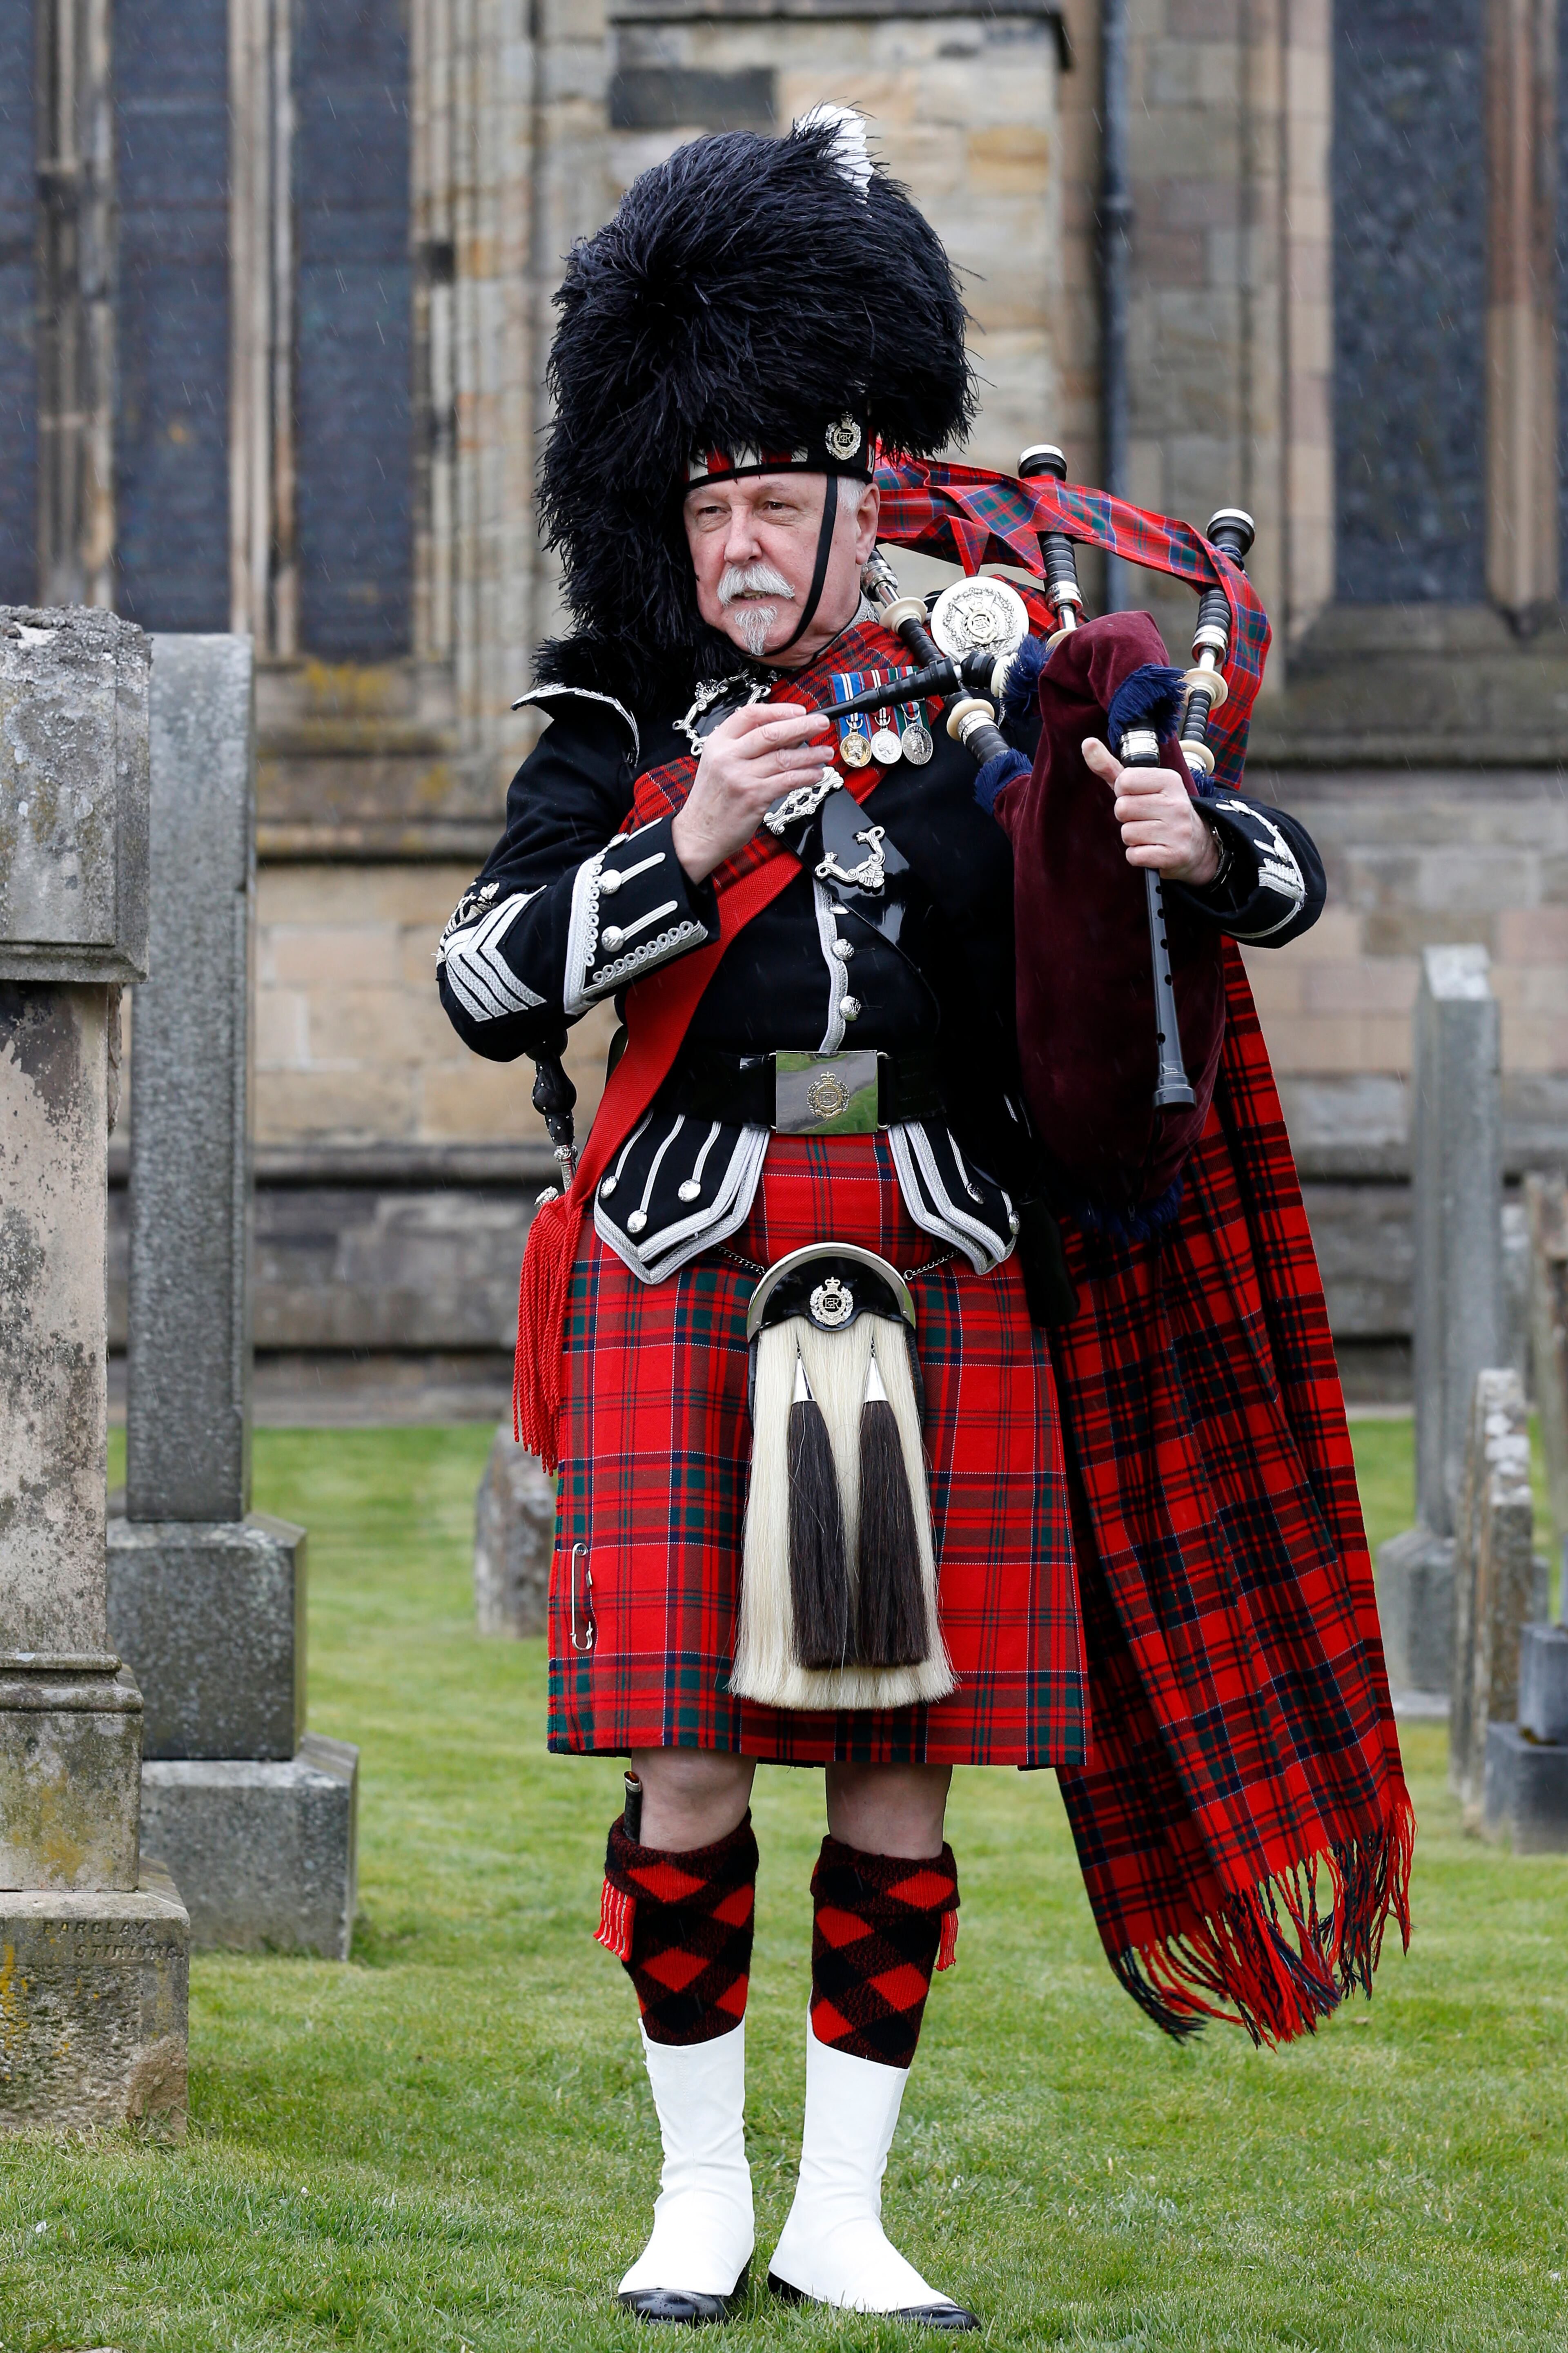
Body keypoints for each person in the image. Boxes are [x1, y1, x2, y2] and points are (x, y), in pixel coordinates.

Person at [437, 107, 1409, 2331]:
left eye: (781, 501)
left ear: (868, 501)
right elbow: (483, 975)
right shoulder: (615, 719)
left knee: (904, 1758)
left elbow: (1266, 879)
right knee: (687, 1754)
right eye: (709, 502)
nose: (745, 541)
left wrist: (1176, 833)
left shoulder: (981, 705)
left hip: (939, 1247)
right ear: (658, 504)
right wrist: (685, 831)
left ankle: (848, 2209)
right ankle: (699, 2189)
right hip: (697, 1247)